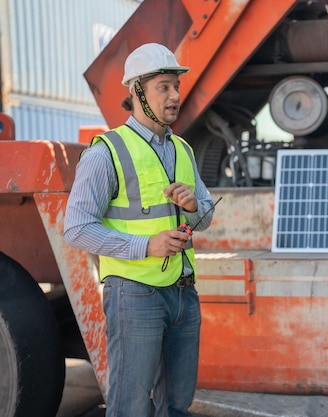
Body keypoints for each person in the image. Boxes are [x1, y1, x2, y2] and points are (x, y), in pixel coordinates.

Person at [64, 42, 215, 417]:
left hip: (183, 295)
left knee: (177, 406)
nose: (174, 96)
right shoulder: (107, 151)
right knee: (131, 407)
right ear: (136, 93)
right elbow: (77, 227)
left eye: (175, 87)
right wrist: (145, 246)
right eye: (163, 87)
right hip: (134, 296)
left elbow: (207, 214)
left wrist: (194, 208)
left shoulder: (182, 149)